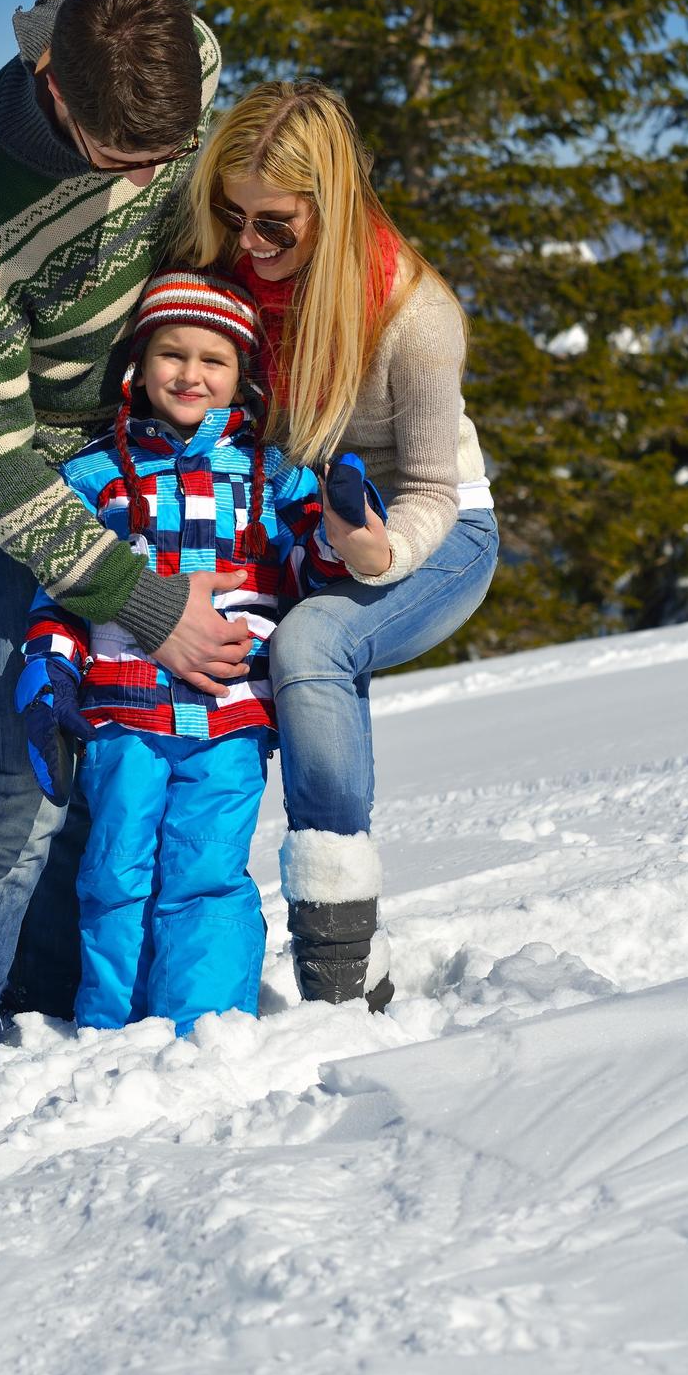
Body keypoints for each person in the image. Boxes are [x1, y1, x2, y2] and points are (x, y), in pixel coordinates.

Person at [0, 0, 247, 1081]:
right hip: (43, 471)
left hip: (160, 443)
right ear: (53, 82)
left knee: (120, 743)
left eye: (168, 151)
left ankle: (42, 988)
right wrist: (144, 604)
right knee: (25, 762)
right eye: (120, 160)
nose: (151, 179)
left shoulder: (185, 58)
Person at [179, 80, 499, 1009]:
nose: (249, 245)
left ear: (336, 204)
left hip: (431, 533)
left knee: (313, 643)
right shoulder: (234, 274)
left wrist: (380, 554)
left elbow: (435, 489)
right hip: (297, 531)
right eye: (233, 216)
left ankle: (341, 959)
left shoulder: (414, 318)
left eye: (275, 224)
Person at [15, 270, 326, 1034]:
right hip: (124, 708)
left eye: (212, 360)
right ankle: (111, 1026)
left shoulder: (270, 476)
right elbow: (64, 588)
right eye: (171, 354)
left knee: (207, 868)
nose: (190, 374)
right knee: (115, 868)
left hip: (232, 711)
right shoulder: (96, 477)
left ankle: (206, 1022)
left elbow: (313, 565)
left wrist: (341, 524)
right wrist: (47, 668)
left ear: (240, 375)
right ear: (138, 365)